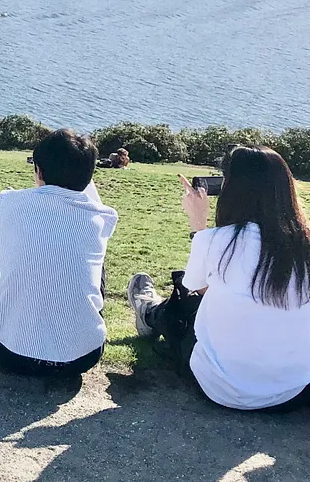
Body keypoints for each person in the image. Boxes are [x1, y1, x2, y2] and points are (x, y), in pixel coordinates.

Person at [127, 146, 310, 411]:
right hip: (289, 393)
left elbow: (197, 288)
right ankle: (150, 311)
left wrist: (198, 226)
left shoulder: (220, 241)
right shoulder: (304, 245)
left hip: (221, 387)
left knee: (183, 306)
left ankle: (149, 312)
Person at [0, 128, 118, 377]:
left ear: (39, 171)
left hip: (12, 354)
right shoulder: (103, 215)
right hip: (83, 357)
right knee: (89, 246)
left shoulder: (8, 202)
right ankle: (76, 327)